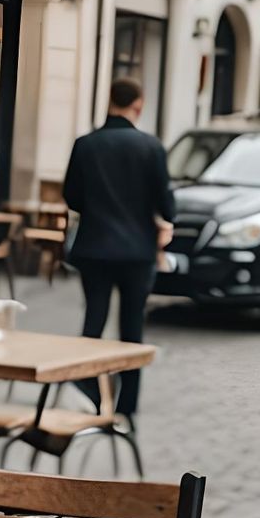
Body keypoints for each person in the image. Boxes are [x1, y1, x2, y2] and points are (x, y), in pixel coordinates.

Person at [62, 77, 175, 419]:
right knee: (131, 329)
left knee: (93, 321)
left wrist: (98, 208)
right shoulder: (151, 147)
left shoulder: (86, 144)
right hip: (137, 251)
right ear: (138, 106)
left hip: (95, 246)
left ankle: (88, 391)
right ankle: (127, 406)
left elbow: (72, 196)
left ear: (109, 101)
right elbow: (166, 205)